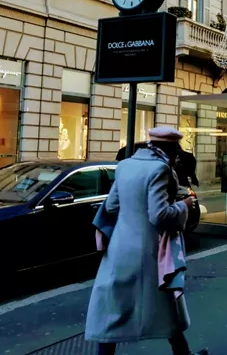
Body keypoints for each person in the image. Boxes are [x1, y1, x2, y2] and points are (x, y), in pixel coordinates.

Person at [86, 127, 208, 355]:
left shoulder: (125, 166)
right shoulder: (160, 169)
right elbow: (159, 215)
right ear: (172, 150)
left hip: (120, 246)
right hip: (150, 248)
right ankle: (184, 354)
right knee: (165, 302)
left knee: (115, 306)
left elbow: (111, 206)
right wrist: (184, 206)